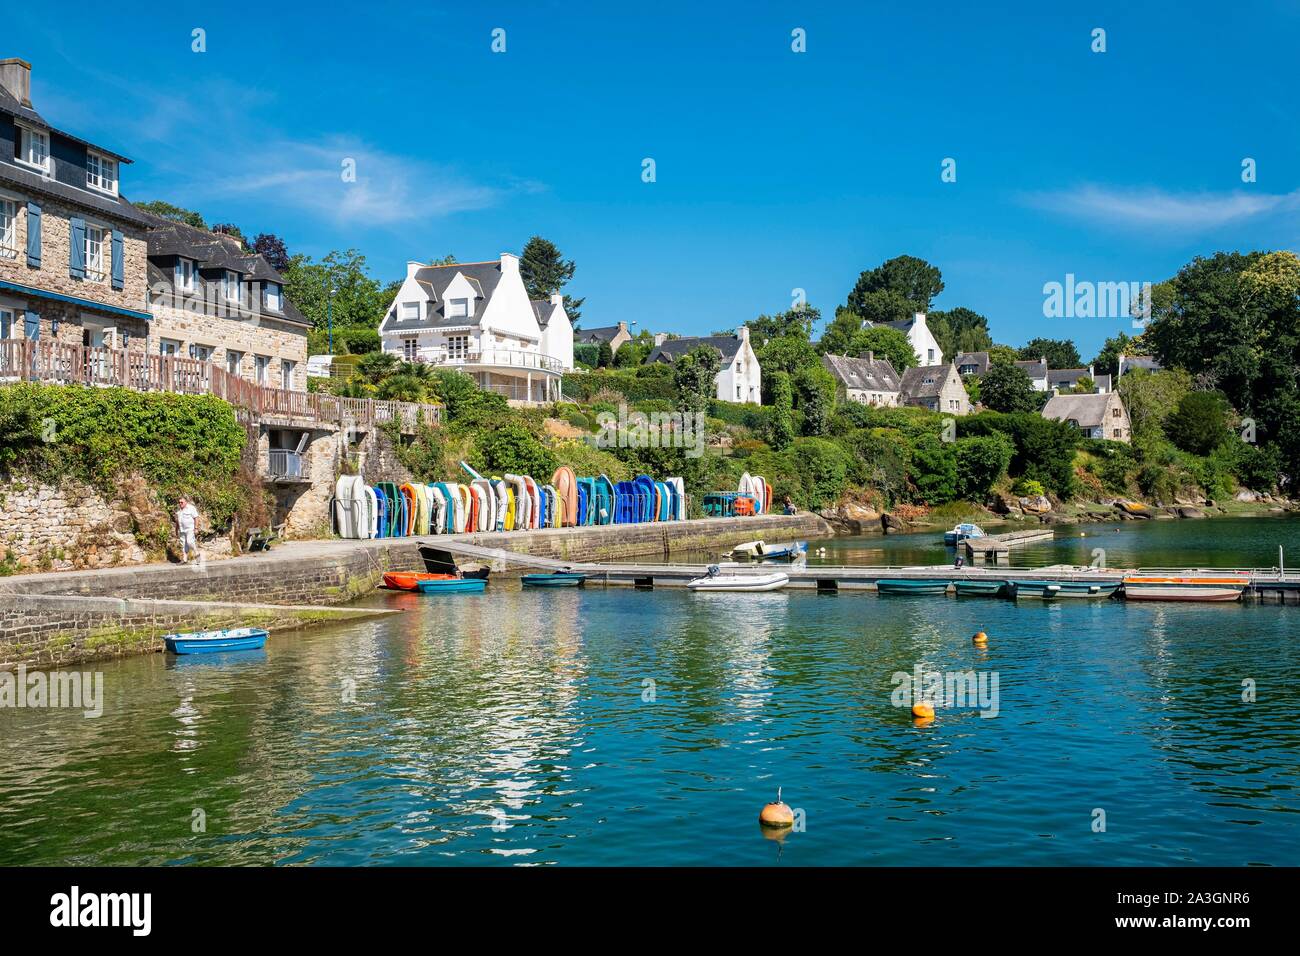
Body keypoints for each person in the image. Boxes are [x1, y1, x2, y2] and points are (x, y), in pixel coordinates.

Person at [176, 495, 200, 563]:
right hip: (182, 530)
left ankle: (197, 553)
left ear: (186, 502)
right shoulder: (179, 511)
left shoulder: (191, 508)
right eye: (179, 502)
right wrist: (176, 530)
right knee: (183, 545)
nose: (180, 504)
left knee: (189, 542)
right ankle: (184, 559)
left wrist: (196, 528)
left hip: (190, 529)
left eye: (182, 502)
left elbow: (196, 518)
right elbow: (177, 522)